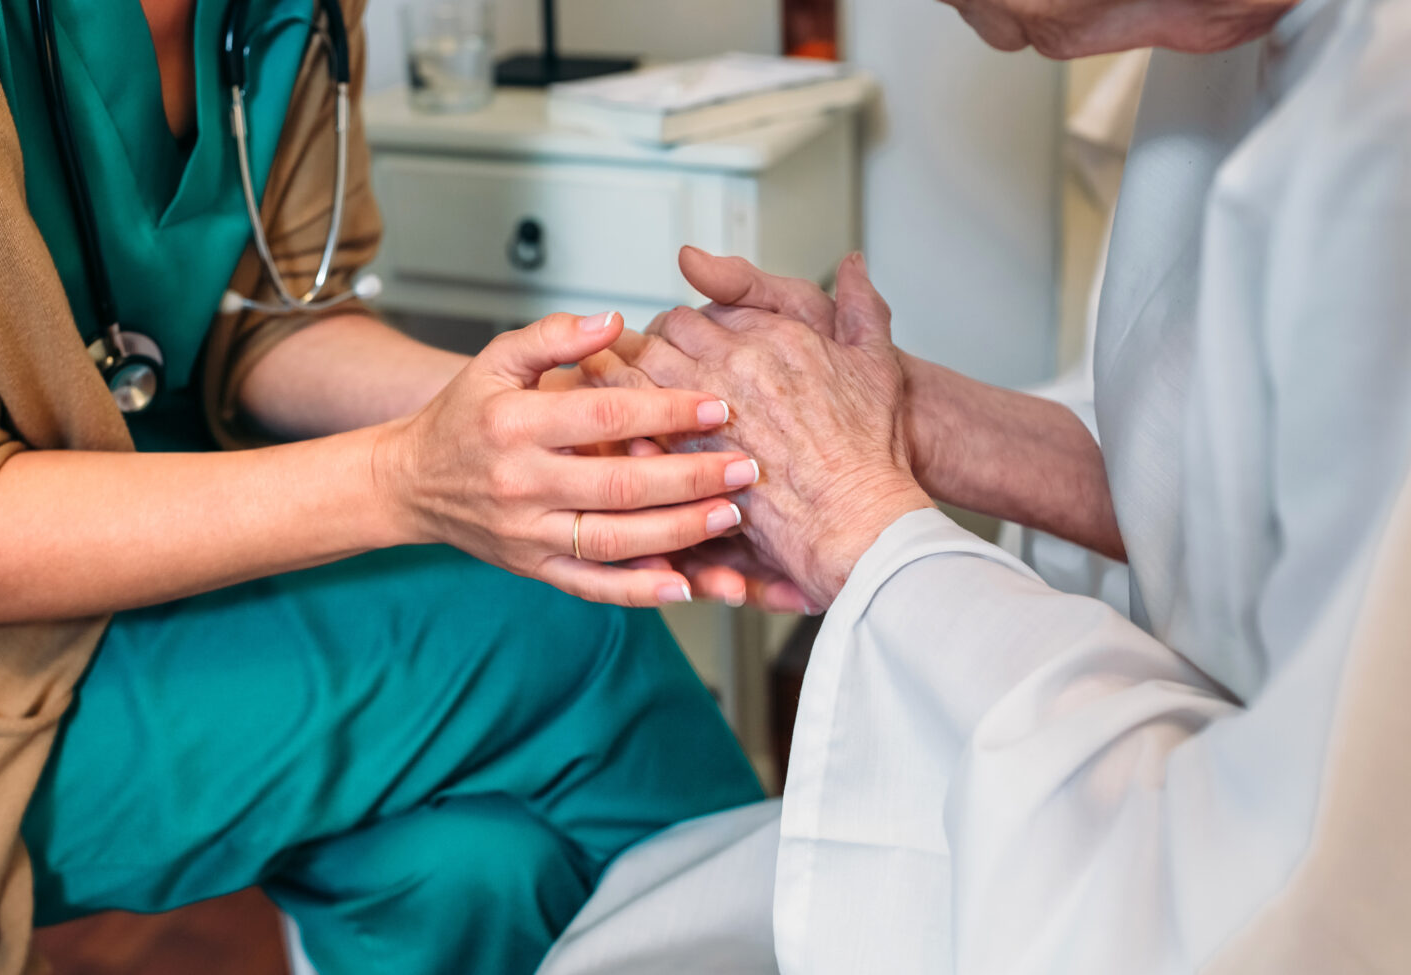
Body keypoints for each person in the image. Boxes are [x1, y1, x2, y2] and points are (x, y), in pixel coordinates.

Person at [0, 1, 767, 972]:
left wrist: (541, 426)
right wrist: (404, 479)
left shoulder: (297, 10)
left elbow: (270, 320)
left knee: (463, 870)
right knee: (569, 622)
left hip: (177, 557)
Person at [538, 0, 1411, 971]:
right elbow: (1220, 491)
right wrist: (898, 418)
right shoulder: (1242, 40)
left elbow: (1287, 901)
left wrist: (851, 514)